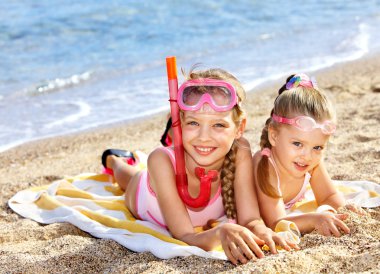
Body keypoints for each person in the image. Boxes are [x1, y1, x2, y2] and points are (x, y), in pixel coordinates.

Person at [102, 67, 297, 265]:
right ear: (178, 123)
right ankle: (114, 159)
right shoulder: (160, 161)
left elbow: (250, 220)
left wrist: (264, 232)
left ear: (239, 128)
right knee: (128, 175)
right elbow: (184, 235)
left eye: (218, 125)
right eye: (194, 123)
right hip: (143, 195)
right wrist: (220, 232)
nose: (204, 137)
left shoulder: (240, 151)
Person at [252, 73, 366, 237]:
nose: (307, 155)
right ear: (274, 136)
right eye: (297, 144)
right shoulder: (265, 164)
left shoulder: (311, 161)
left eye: (318, 147)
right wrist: (314, 220)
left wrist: (343, 209)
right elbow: (275, 222)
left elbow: (329, 195)